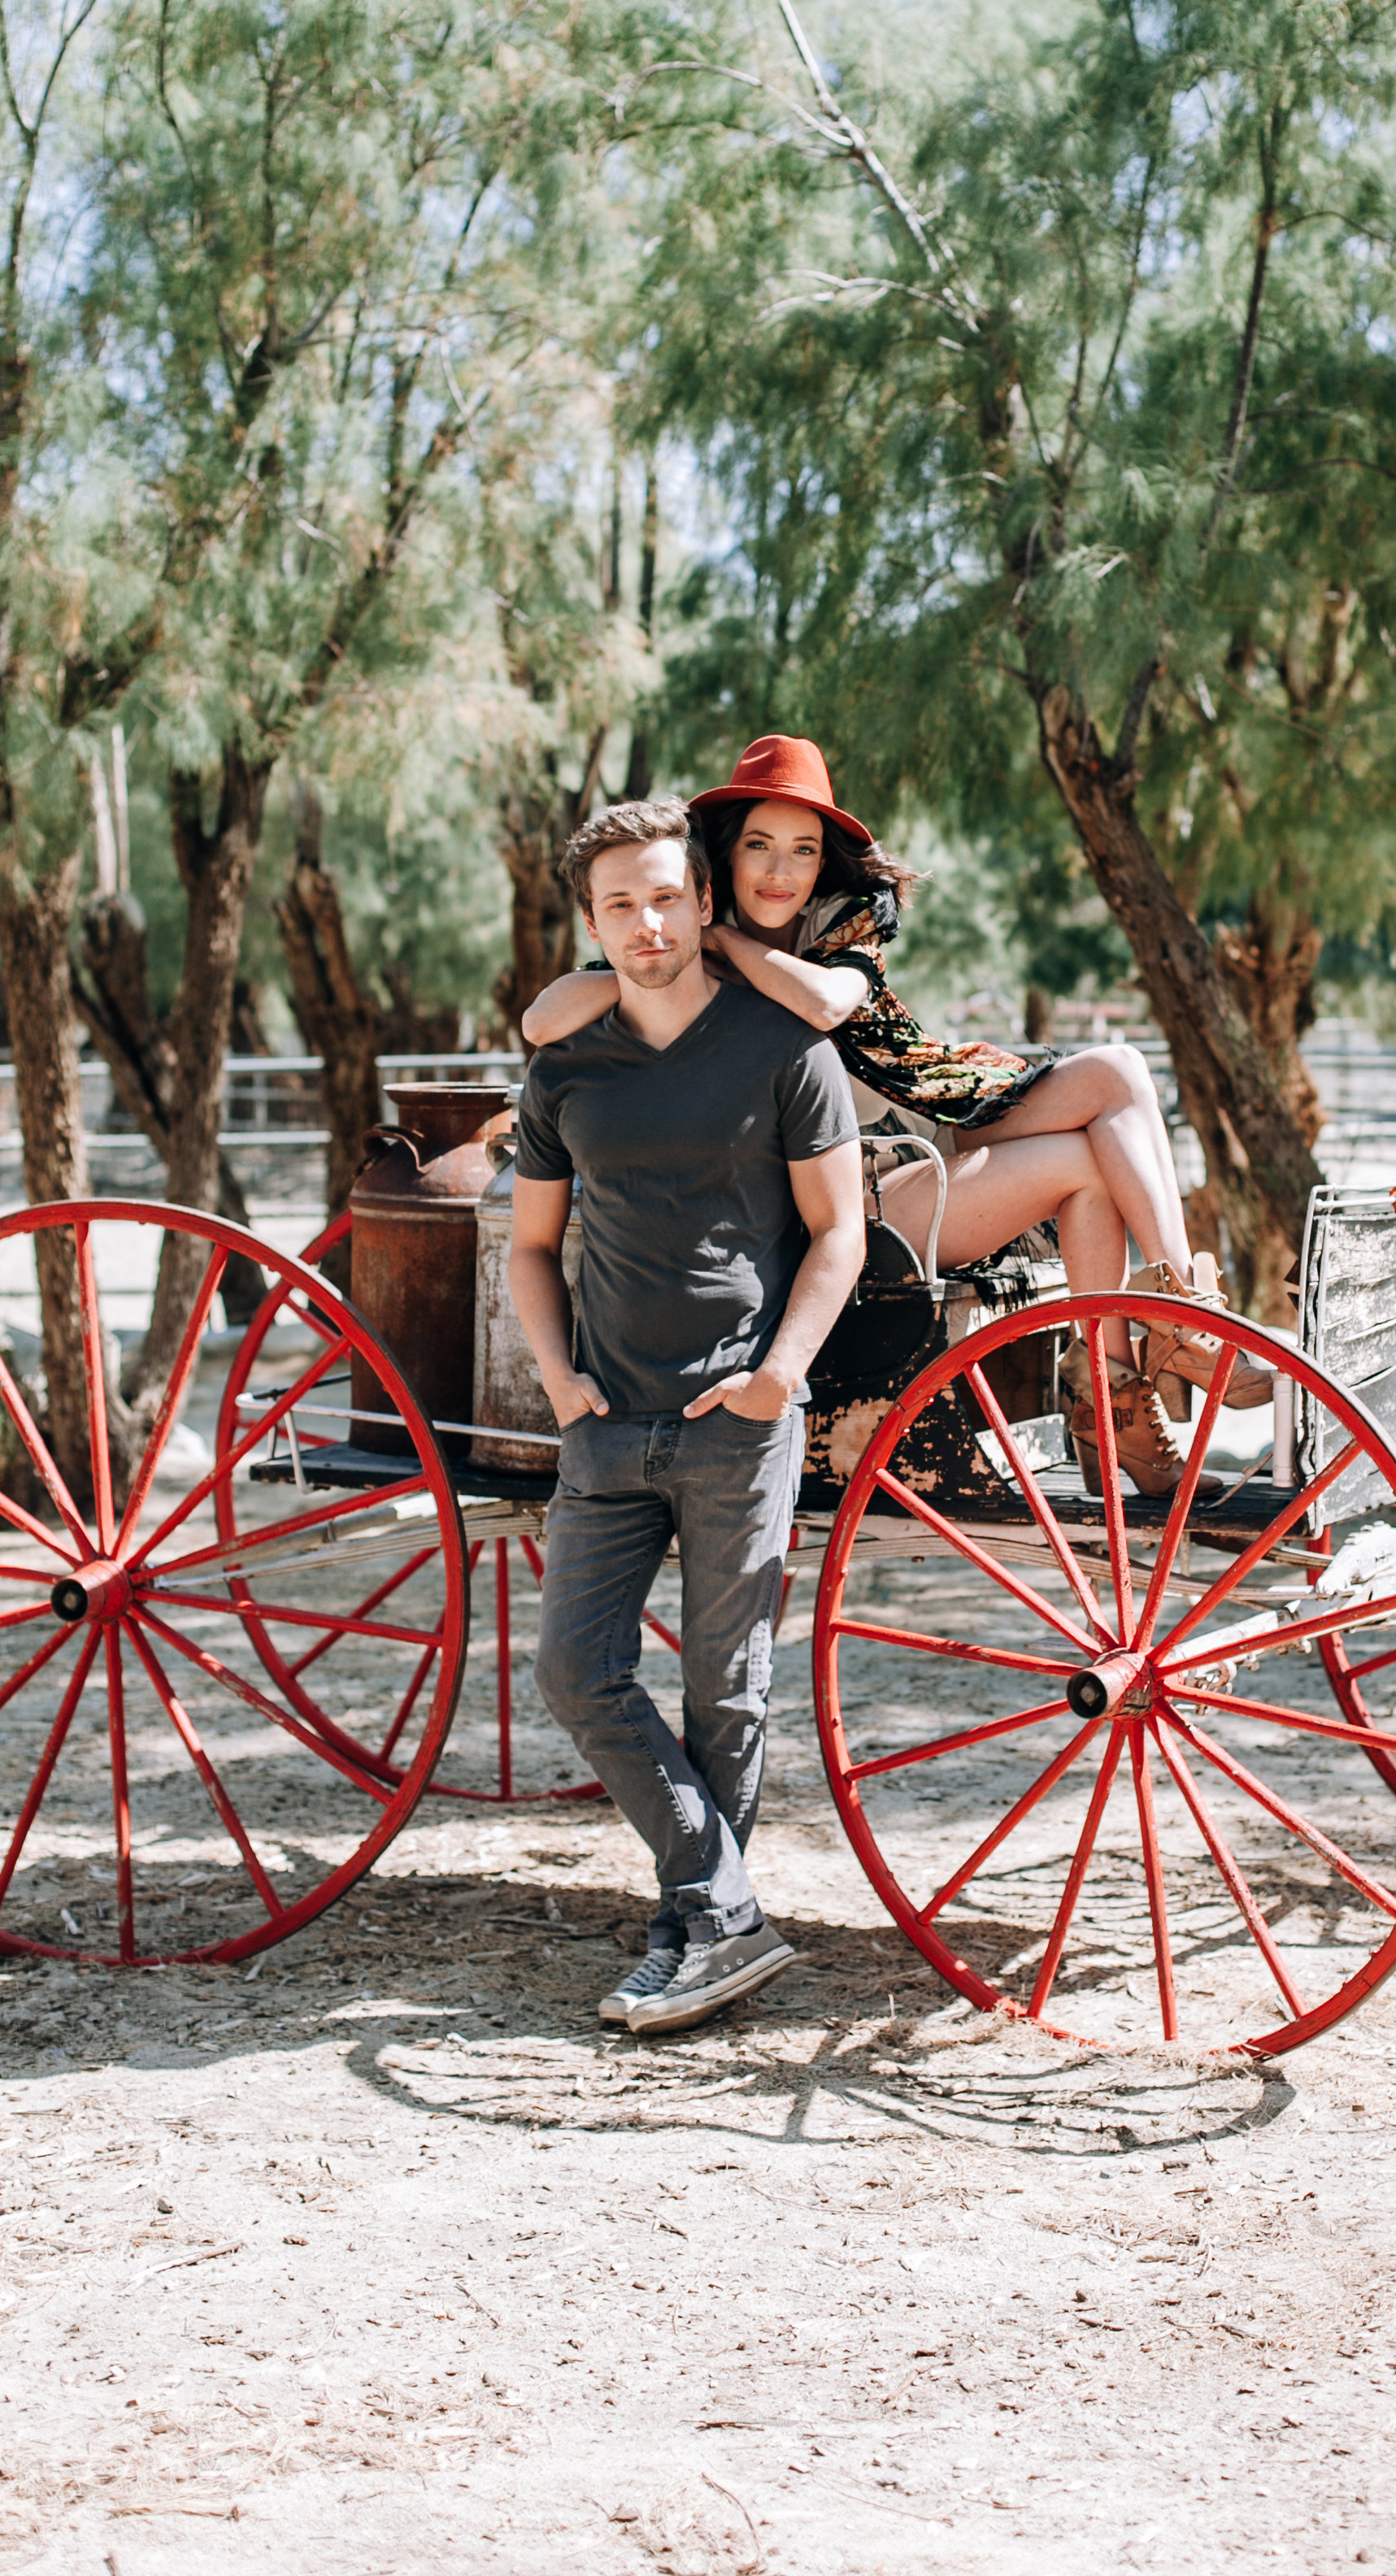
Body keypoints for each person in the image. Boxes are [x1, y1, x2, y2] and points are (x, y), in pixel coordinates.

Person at [524, 738, 1270, 1497]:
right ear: (722, 856)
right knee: (1088, 1168)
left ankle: (1183, 1322)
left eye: (803, 851)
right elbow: (540, 1020)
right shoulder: (674, 943)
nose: (781, 872)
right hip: (867, 1186)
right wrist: (694, 942)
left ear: (823, 862)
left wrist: (728, 942)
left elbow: (827, 1002)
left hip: (935, 1110)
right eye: (758, 846)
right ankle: (1114, 1408)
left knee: (1122, 1071)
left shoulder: (841, 919)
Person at [511, 796, 864, 2035]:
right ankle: (722, 1910)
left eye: (667, 896)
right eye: (620, 903)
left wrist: (778, 1376)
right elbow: (531, 1248)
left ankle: (696, 1927)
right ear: (592, 921)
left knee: (730, 1692)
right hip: (606, 1423)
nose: (648, 922)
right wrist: (558, 1379)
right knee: (573, 1668)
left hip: (737, 1424)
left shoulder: (785, 1051)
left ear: (705, 903)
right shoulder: (567, 1067)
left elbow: (840, 1233)